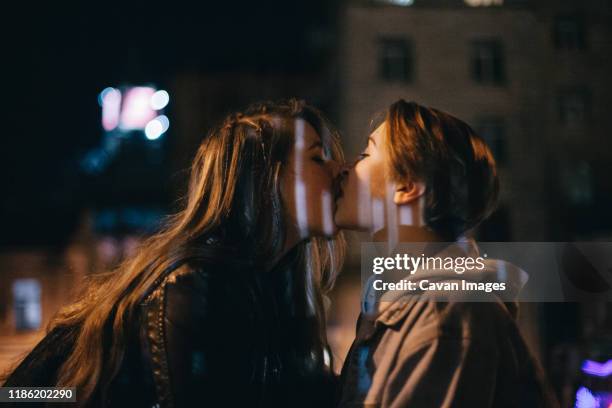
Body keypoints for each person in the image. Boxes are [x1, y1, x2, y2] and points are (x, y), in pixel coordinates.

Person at [2, 99, 346, 407]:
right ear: (261, 179)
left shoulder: (280, 292)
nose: (340, 171)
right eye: (318, 158)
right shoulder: (194, 287)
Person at [334, 99, 559, 407]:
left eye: (365, 154)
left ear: (407, 185)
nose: (345, 168)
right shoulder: (401, 303)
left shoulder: (446, 314)